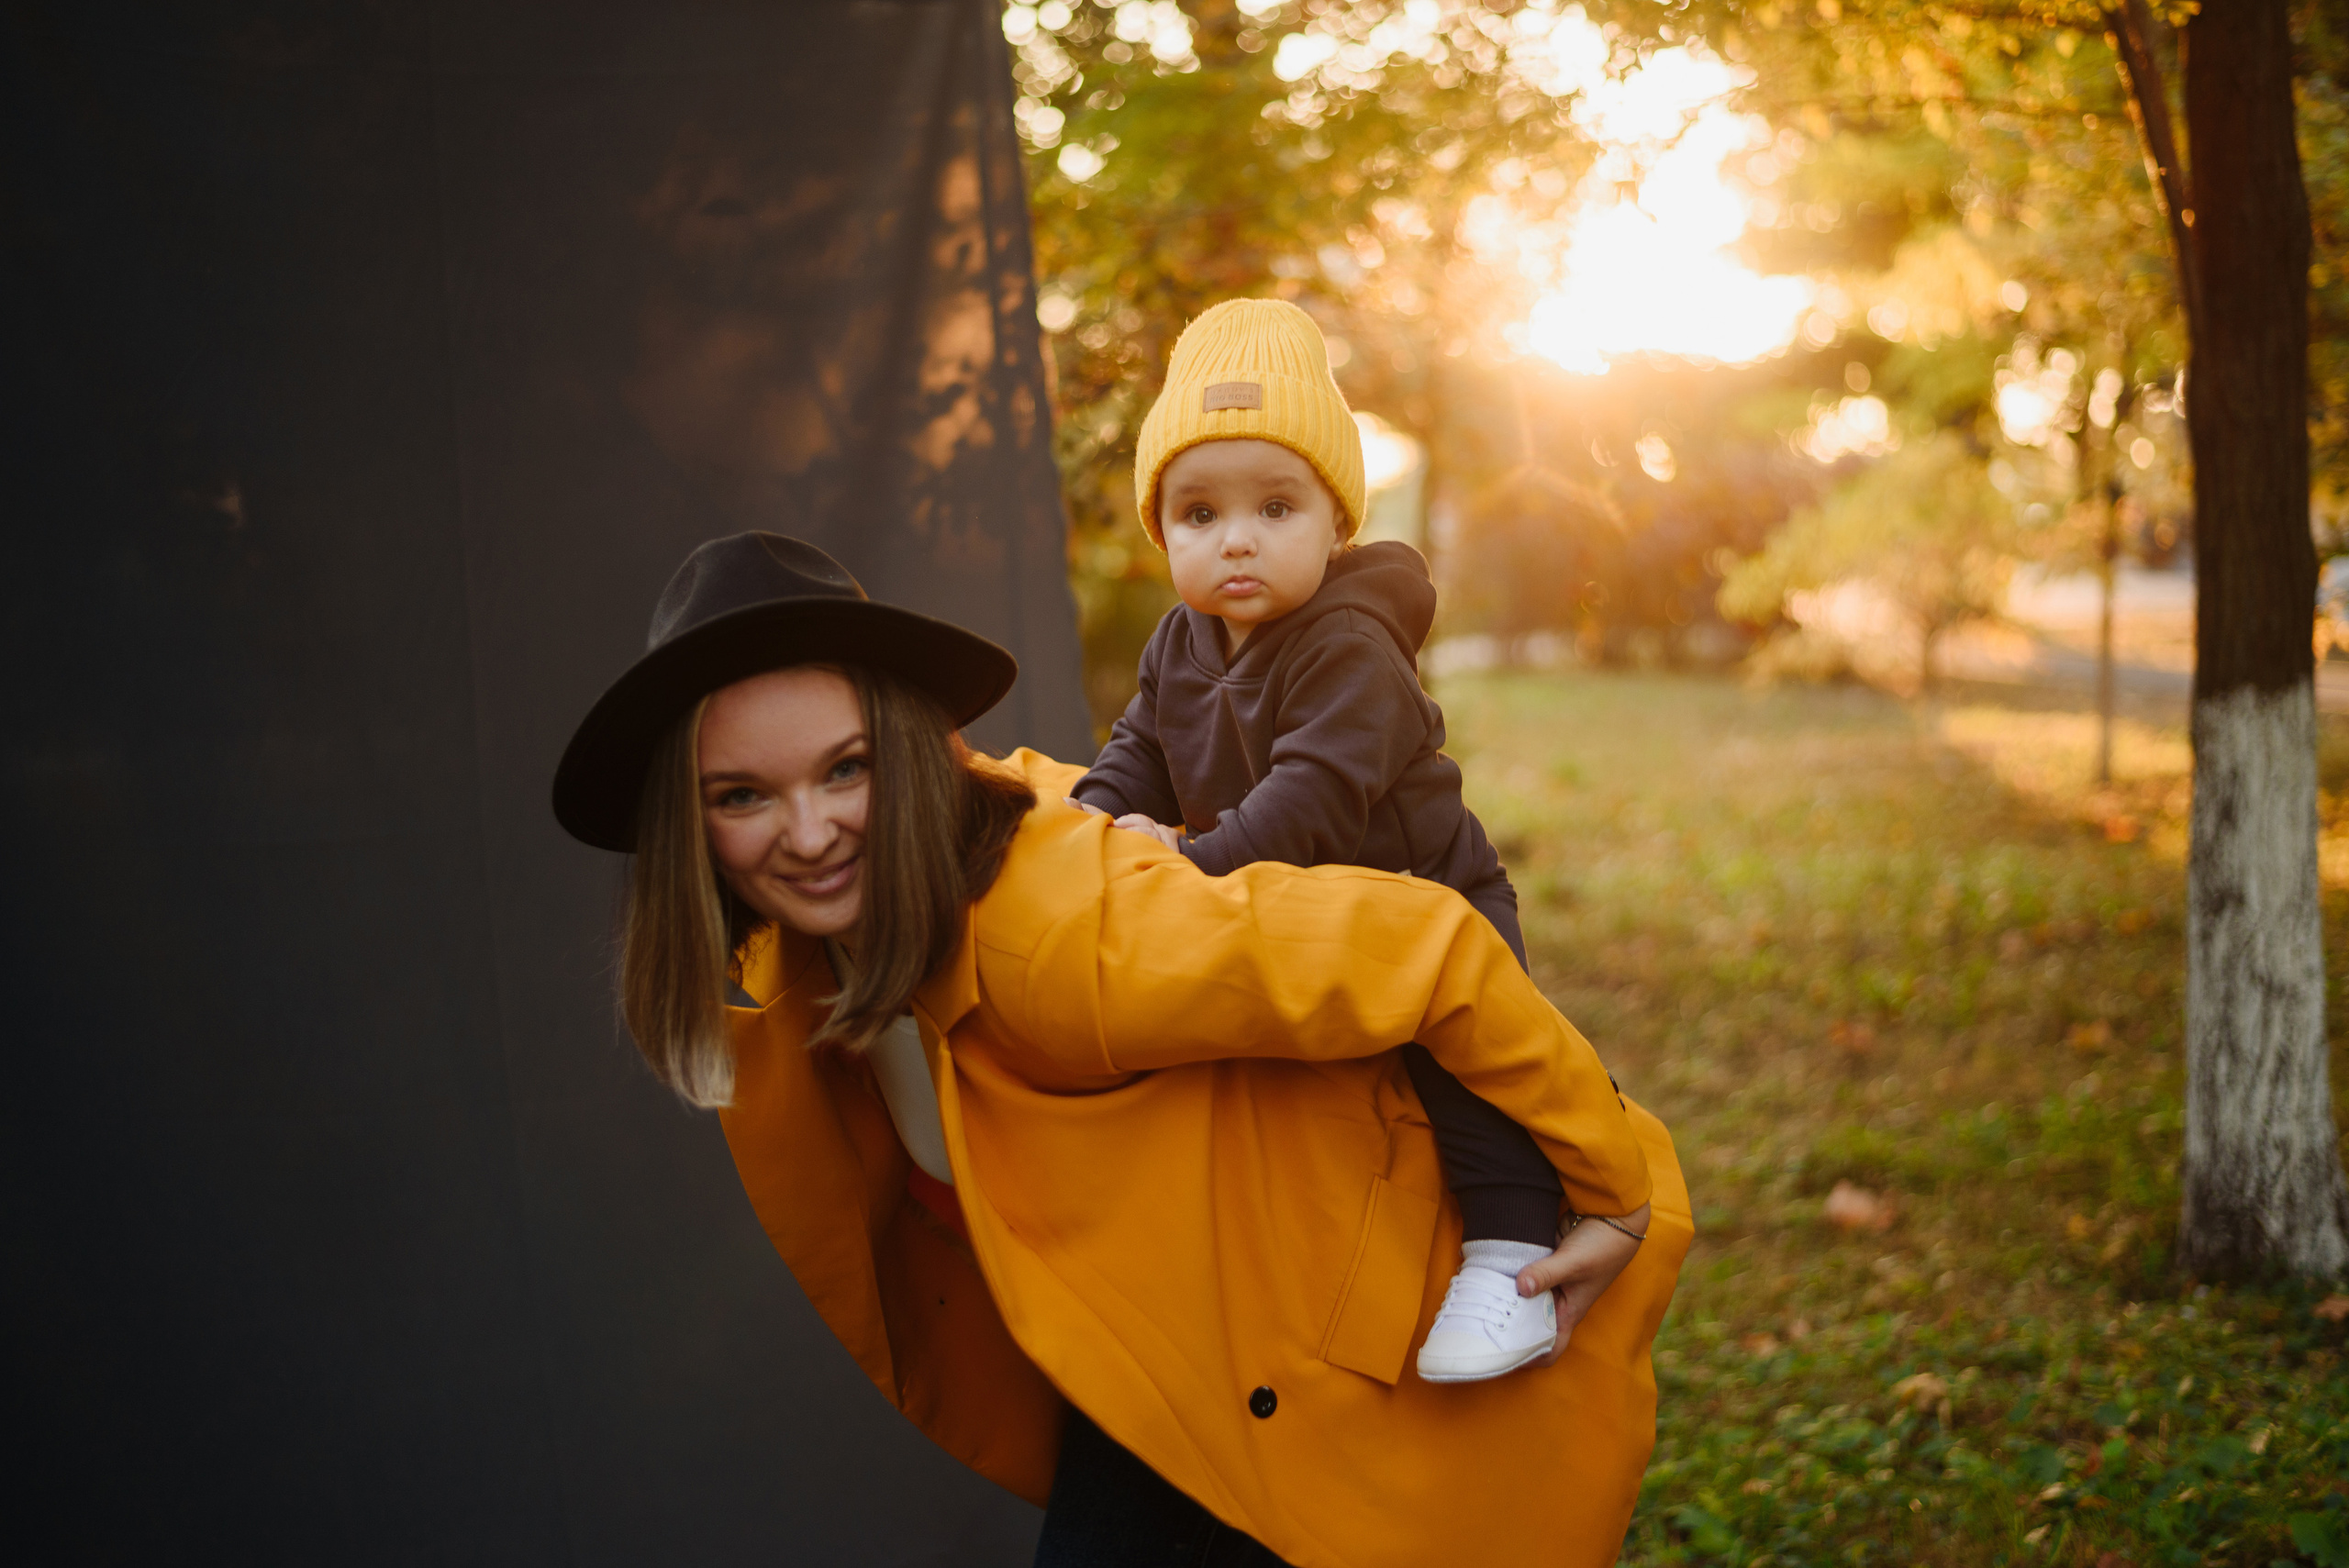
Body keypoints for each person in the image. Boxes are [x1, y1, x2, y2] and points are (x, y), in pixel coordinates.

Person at [551, 531, 1690, 1567]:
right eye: (743, 793)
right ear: (684, 823)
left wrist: (1610, 1191)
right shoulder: (799, 959)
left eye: (846, 768)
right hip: (1158, 1368)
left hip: (1341, 1371)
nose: (806, 833)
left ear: (909, 750)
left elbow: (1430, 941)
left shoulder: (1061, 937)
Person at [1072, 298, 1582, 1384]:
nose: (1237, 537)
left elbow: (1311, 798)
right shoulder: (1180, 637)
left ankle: (1510, 1259)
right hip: (1294, 915)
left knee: (1470, 1071)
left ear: (1335, 522)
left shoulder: (1351, 645)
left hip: (1424, 907)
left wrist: (1187, 872)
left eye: (1274, 504)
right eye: (1199, 512)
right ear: (1163, 530)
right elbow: (1137, 754)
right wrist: (1081, 829)